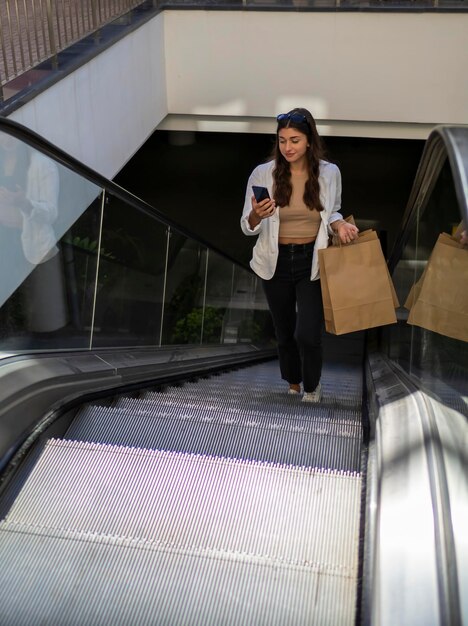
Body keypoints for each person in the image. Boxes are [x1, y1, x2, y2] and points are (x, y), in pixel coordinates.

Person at [240, 108, 359, 402]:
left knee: (307, 332)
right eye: (282, 141)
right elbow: (247, 226)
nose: (288, 147)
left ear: (309, 140)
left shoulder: (329, 172)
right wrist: (256, 214)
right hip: (274, 260)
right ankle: (293, 381)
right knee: (284, 330)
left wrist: (340, 223)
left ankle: (312, 384)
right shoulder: (262, 173)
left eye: (294, 140)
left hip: (312, 260)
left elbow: (333, 210)